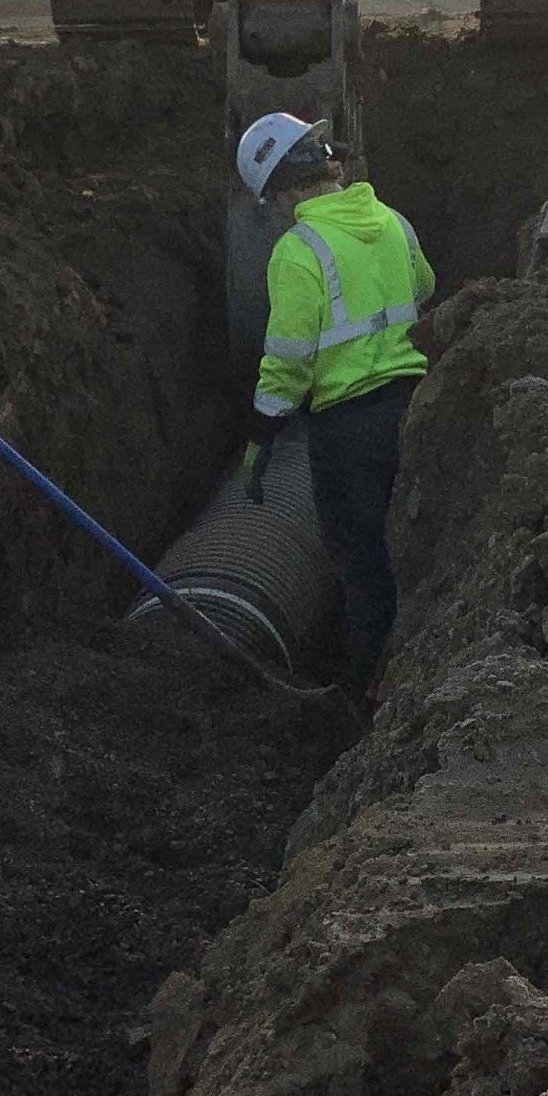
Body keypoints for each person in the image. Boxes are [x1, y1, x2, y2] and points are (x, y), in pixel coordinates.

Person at [235, 112, 435, 695]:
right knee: (412, 554)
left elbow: (289, 359)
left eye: (270, 202)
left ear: (283, 191)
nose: (273, 214)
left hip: (346, 432)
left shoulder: (297, 250)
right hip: (413, 409)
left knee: (362, 564)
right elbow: (423, 288)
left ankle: (365, 694)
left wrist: (262, 433)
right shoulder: (393, 221)